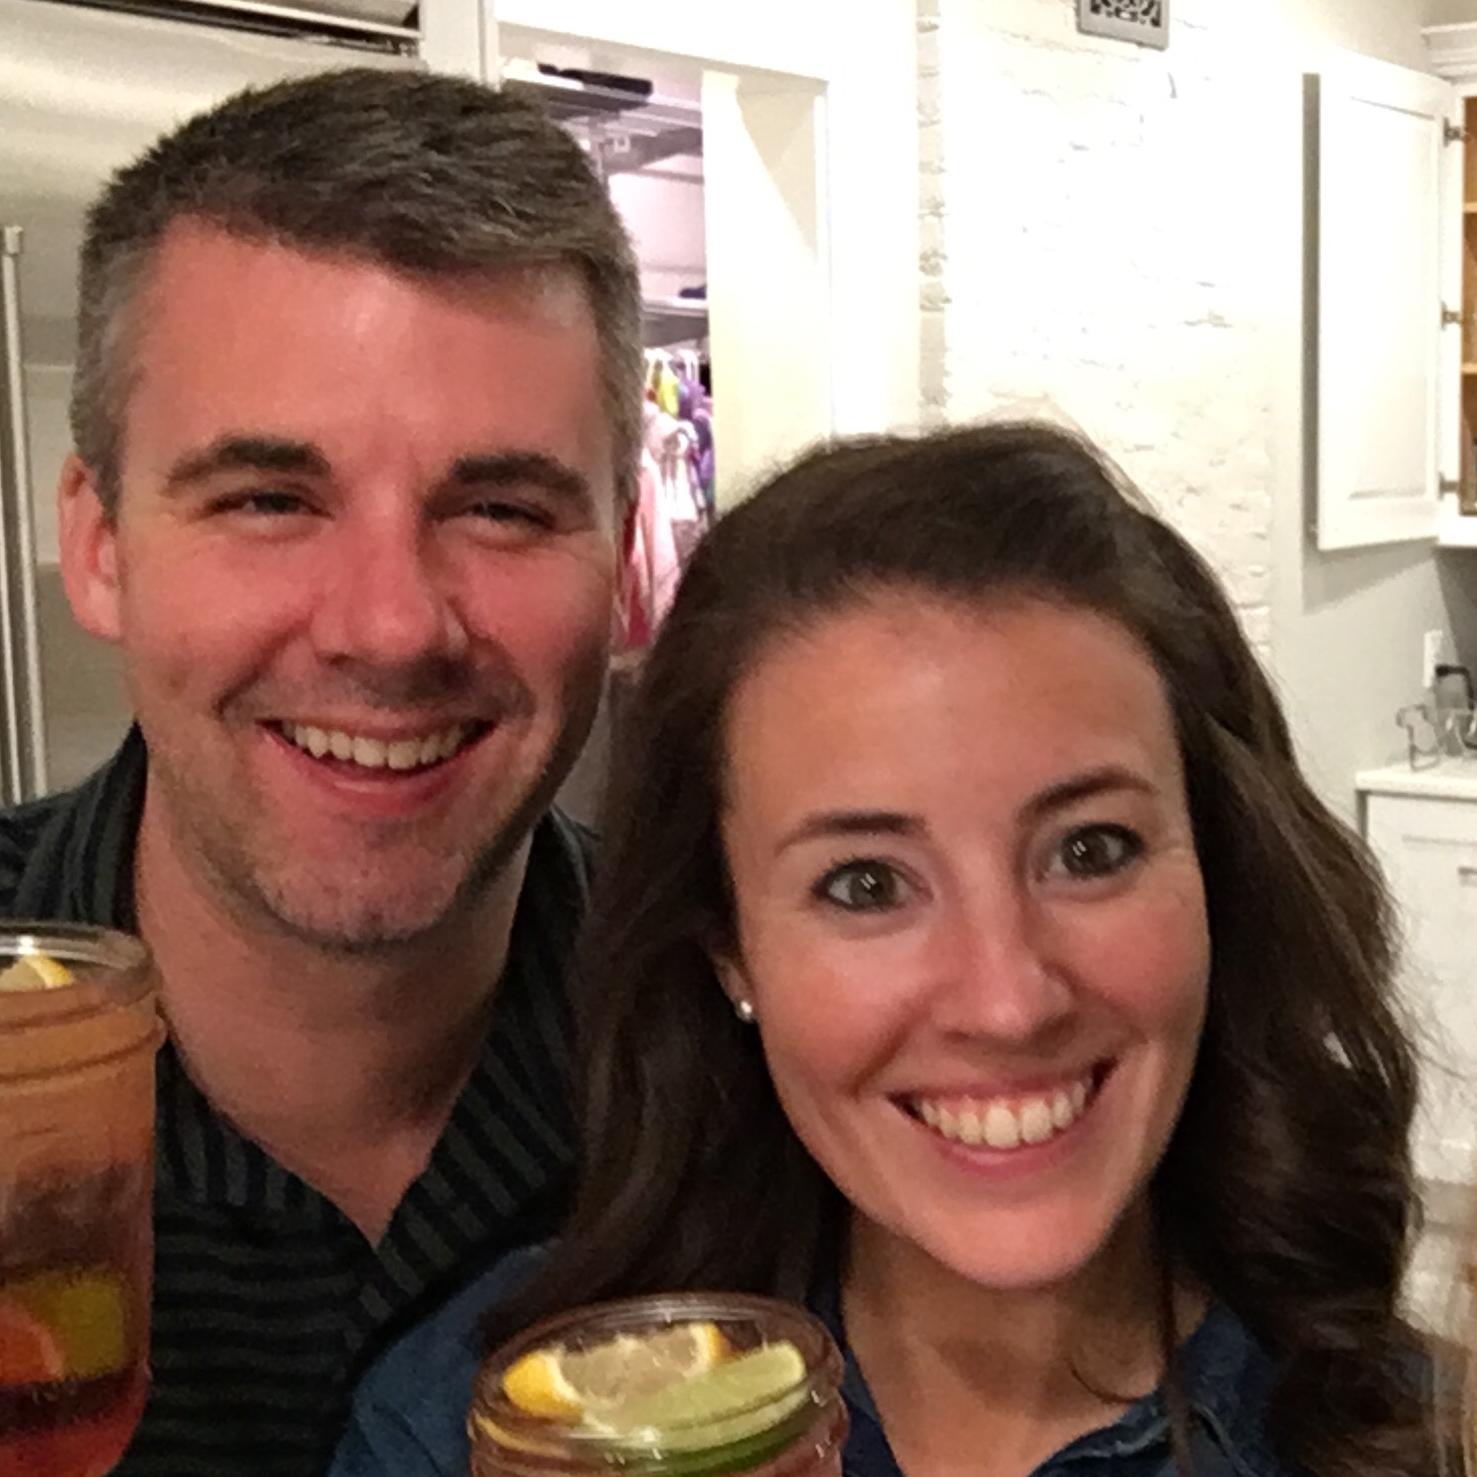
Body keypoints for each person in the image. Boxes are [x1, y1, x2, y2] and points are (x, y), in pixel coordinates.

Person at [333, 422, 1436, 1477]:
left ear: (1217, 873)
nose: (1007, 1000)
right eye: (865, 884)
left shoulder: (1429, 1437)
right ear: (728, 949)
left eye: (1089, 850)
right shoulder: (484, 1429)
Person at [9, 66, 640, 1472]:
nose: (391, 627)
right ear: (98, 545)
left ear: (627, 555)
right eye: (268, 499)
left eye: (500, 507)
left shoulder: (770, 1063)